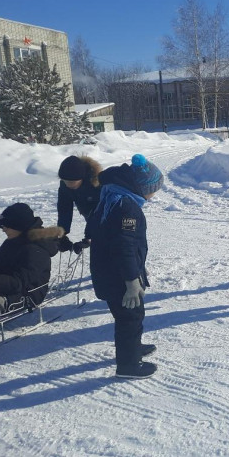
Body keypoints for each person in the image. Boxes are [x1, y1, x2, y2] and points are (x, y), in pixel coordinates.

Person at [86, 154, 164, 379]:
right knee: (130, 318)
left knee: (128, 316)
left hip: (110, 271)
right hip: (119, 276)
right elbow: (124, 246)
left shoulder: (111, 196)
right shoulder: (126, 207)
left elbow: (95, 229)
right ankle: (128, 366)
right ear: (142, 188)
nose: (152, 196)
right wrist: (132, 280)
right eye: (153, 190)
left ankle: (131, 348)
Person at [0, 203, 60, 324]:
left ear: (19, 226)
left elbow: (18, 283)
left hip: (27, 294)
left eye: (6, 226)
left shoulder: (35, 250)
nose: (3, 229)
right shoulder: (14, 240)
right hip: (6, 284)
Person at [56, 155, 102, 254]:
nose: (69, 185)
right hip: (90, 214)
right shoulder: (65, 186)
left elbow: (97, 212)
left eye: (72, 182)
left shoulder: (96, 185)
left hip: (111, 217)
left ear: (82, 178)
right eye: (65, 181)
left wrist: (89, 237)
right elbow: (64, 210)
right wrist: (62, 234)